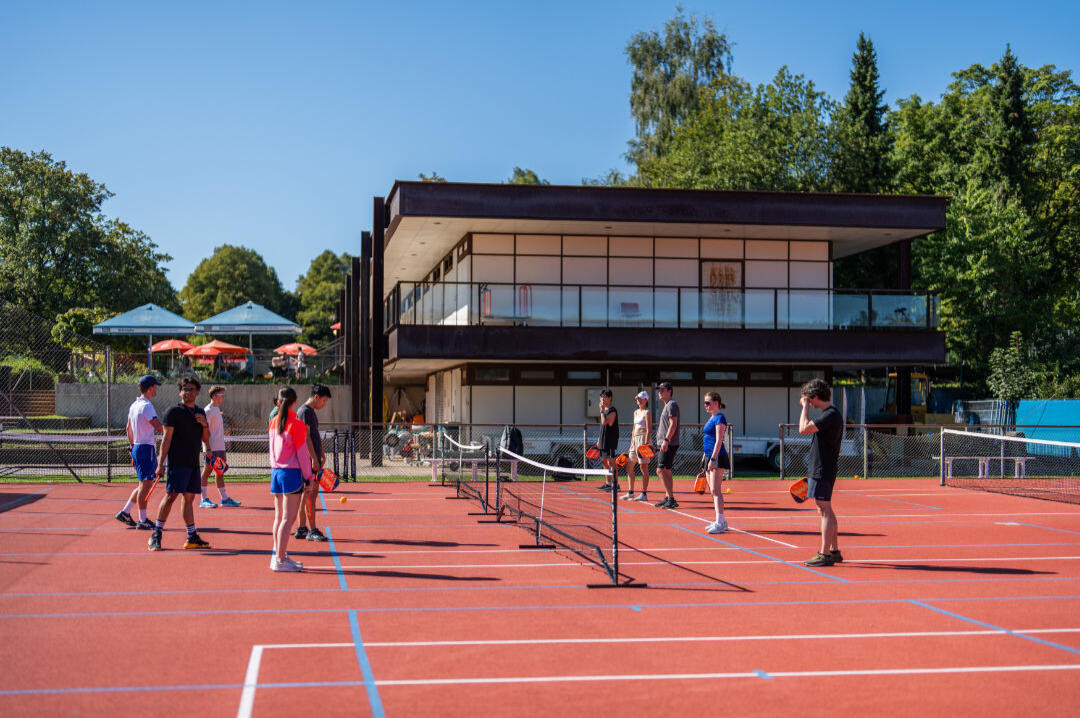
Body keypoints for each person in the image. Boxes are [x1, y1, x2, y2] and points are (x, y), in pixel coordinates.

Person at [148, 378, 211, 551]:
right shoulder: (173, 411)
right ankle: (156, 534)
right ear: (179, 392)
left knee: (189, 498)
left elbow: (205, 438)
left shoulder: (200, 412)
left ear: (197, 392)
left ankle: (191, 537)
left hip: (193, 463)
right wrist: (160, 464)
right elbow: (166, 439)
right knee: (171, 496)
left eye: (191, 389)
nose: (187, 392)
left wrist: (204, 425)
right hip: (177, 462)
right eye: (184, 389)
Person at [268, 386, 316, 572]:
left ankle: (278, 555)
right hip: (290, 473)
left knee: (279, 518)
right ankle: (280, 559)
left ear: (279, 402)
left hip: (276, 472)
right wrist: (309, 477)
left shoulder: (274, 422)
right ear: (294, 402)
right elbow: (302, 454)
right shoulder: (295, 424)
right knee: (288, 519)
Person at [799, 378, 844, 566]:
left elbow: (803, 429)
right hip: (823, 466)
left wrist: (804, 408)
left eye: (810, 400)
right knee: (825, 508)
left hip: (823, 468)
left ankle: (825, 554)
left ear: (815, 397)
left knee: (824, 509)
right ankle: (833, 551)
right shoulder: (831, 414)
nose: (809, 403)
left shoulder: (829, 415)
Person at [116, 374, 164, 530]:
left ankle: (125, 512)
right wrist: (172, 433)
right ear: (150, 388)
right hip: (145, 448)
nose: (156, 389)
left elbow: (127, 428)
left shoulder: (134, 405)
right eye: (155, 386)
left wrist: (131, 447)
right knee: (146, 486)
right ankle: (142, 520)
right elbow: (158, 426)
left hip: (137, 447)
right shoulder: (147, 406)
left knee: (142, 484)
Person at [294, 384, 332, 542]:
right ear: (316, 397)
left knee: (307, 495)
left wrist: (321, 453)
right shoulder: (305, 411)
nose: (324, 405)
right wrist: (314, 459)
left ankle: (302, 528)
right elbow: (306, 437)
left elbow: (315, 434)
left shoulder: (310, 412)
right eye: (323, 401)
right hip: (309, 460)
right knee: (310, 495)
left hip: (313, 458)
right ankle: (312, 529)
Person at [199, 386, 241, 508]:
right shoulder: (208, 410)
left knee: (220, 472)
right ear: (213, 396)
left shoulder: (217, 410)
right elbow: (204, 430)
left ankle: (224, 499)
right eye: (220, 395)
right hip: (211, 448)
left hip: (219, 447)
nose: (222, 397)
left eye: (223, 395)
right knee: (207, 472)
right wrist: (207, 448)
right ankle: (203, 499)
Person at [701, 392, 730, 534]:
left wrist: (712, 459)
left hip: (717, 456)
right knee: (712, 490)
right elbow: (708, 438)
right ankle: (720, 521)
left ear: (716, 403)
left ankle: (720, 522)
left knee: (716, 490)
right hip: (708, 456)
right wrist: (704, 457)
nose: (705, 405)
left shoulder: (720, 418)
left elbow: (719, 440)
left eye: (708, 403)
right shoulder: (711, 418)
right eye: (705, 403)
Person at [654, 382, 681, 508]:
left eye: (662, 390)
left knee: (660, 470)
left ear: (669, 391)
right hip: (666, 442)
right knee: (667, 470)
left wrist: (666, 440)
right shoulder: (667, 405)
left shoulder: (671, 405)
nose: (660, 392)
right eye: (659, 390)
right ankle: (668, 497)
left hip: (669, 443)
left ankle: (671, 498)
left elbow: (673, 424)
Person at [622, 390, 652, 501]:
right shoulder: (635, 412)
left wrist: (645, 444)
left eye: (640, 398)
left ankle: (644, 494)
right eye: (637, 399)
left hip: (643, 440)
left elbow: (649, 430)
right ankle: (630, 492)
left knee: (643, 468)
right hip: (635, 440)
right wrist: (631, 444)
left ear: (645, 400)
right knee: (629, 466)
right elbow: (634, 429)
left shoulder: (647, 412)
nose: (638, 400)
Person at [595, 389, 619, 492]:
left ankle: (616, 484)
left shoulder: (612, 410)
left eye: (605, 397)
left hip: (611, 440)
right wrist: (599, 438)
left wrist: (601, 410)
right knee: (603, 461)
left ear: (610, 398)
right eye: (601, 397)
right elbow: (602, 427)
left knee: (611, 462)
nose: (602, 399)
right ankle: (608, 483)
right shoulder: (604, 411)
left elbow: (605, 422)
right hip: (603, 439)